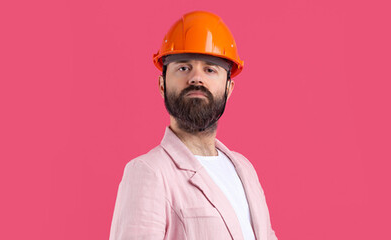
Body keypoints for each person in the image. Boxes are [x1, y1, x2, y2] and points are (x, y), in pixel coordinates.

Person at [109, 11, 279, 240]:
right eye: (183, 68)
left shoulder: (244, 170)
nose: (196, 78)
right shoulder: (150, 172)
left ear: (229, 88)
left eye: (210, 69)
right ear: (162, 85)